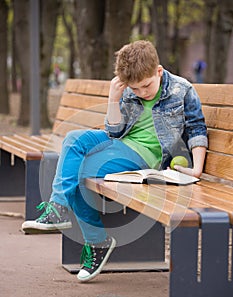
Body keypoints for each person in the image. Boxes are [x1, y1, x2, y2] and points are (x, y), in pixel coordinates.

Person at [22, 40, 208, 282]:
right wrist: (113, 99)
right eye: (135, 88)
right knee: (73, 139)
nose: (141, 92)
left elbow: (196, 128)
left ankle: (97, 241)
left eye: (146, 86)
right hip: (120, 143)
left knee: (80, 173)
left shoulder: (182, 90)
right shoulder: (129, 91)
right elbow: (115, 131)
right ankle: (58, 208)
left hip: (146, 156)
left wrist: (196, 169)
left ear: (159, 71)